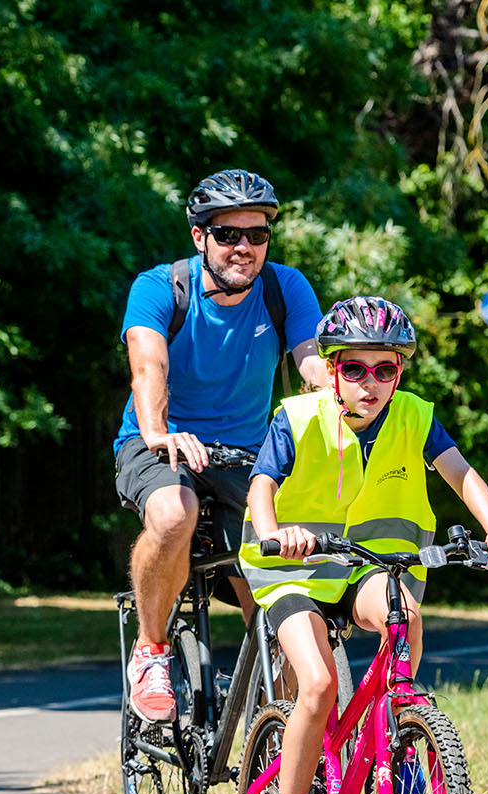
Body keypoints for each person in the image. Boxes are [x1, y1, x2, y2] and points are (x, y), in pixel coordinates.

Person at [238, 295, 488, 794]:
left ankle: (398, 733)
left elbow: (460, 473)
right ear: (333, 369)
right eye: (356, 369)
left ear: (401, 373)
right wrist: (272, 532)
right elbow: (261, 485)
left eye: (386, 369)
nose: (371, 384)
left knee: (406, 616)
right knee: (317, 684)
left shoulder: (415, 418)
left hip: (366, 567)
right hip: (293, 572)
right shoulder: (299, 417)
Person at [117, 168, 329, 725]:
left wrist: (339, 388)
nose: (244, 248)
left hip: (248, 458)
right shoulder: (161, 287)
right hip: (159, 441)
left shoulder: (286, 289)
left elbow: (309, 356)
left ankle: (285, 744)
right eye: (228, 234)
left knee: (279, 577)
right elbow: (148, 364)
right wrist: (159, 429)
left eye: (257, 235)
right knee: (171, 511)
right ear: (199, 236)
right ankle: (152, 649)